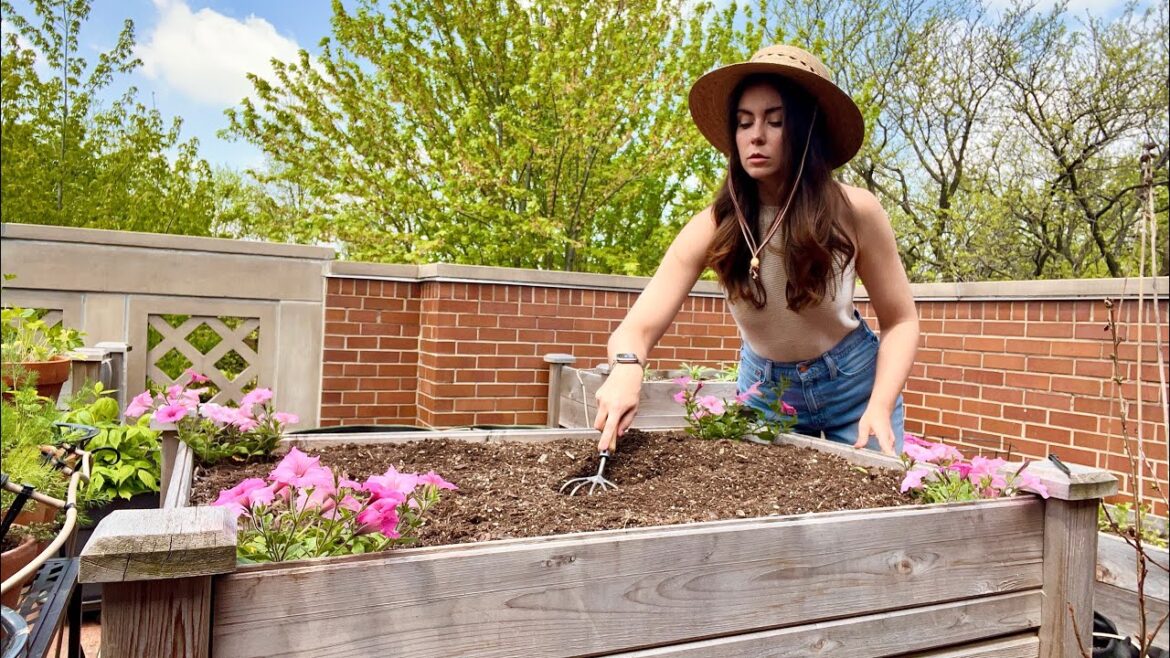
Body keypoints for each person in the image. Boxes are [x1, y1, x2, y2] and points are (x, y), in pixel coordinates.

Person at [593, 45, 918, 457]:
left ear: (805, 129)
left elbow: (901, 320)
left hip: (855, 388)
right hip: (766, 394)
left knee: (871, 512)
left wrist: (880, 404)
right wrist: (626, 367)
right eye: (744, 123)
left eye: (775, 121)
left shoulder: (855, 211)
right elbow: (636, 327)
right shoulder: (715, 224)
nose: (756, 135)